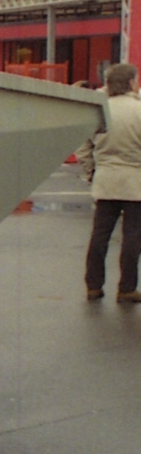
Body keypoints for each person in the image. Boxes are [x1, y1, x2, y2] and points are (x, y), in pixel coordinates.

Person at [78, 62, 141, 302]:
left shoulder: (100, 110)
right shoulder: (139, 110)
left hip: (105, 179)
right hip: (135, 181)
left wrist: (91, 170)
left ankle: (93, 285)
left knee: (100, 235)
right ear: (131, 82)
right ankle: (127, 288)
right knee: (133, 236)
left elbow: (84, 145)